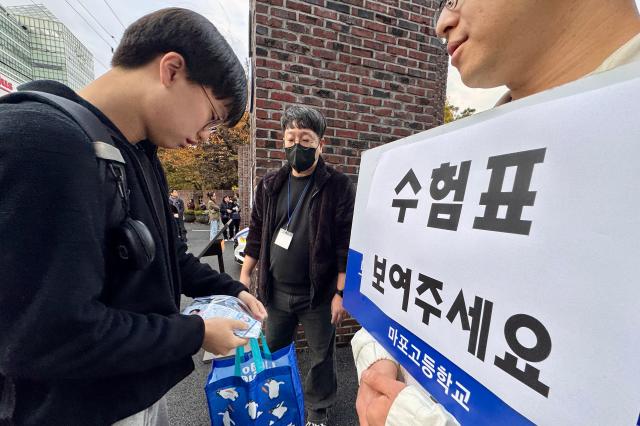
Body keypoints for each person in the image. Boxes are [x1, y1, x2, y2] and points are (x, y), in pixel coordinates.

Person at [352, 0, 640, 425]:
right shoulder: (461, 154)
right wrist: (378, 352)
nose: (441, 23)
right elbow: (408, 287)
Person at [0, 8, 268, 426]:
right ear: (172, 69)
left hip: (130, 390)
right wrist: (196, 334)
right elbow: (50, 333)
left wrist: (231, 289)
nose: (203, 138)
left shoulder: (138, 152)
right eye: (213, 118)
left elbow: (168, 257)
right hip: (74, 408)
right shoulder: (44, 144)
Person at [241, 105, 356, 426]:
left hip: (318, 295)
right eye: (290, 138)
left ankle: (318, 412)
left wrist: (340, 293)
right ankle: (274, 403)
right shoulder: (270, 185)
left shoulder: (337, 187)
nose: (297, 146)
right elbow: (257, 232)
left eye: (305, 140)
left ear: (321, 144)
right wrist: (245, 276)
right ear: (282, 141)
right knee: (274, 349)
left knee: (321, 356)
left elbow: (345, 245)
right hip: (275, 292)